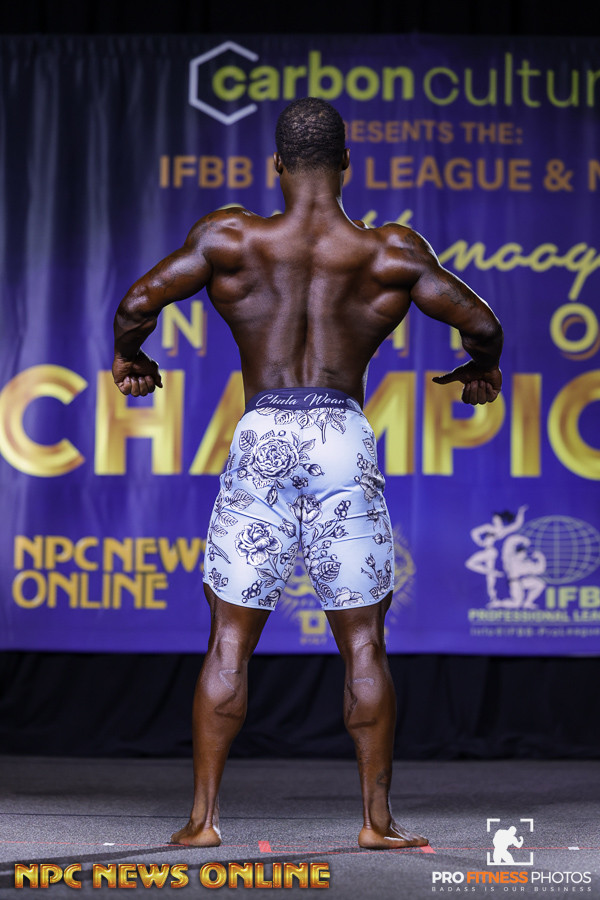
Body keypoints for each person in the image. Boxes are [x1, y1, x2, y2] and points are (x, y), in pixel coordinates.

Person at [112, 97, 503, 850]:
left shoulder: (230, 237)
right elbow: (482, 324)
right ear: (347, 166)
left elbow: (138, 303)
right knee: (364, 644)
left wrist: (133, 357)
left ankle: (202, 821)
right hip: (341, 438)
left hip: (263, 435)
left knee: (229, 640)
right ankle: (376, 823)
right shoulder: (389, 252)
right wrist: (480, 369)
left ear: (277, 166)